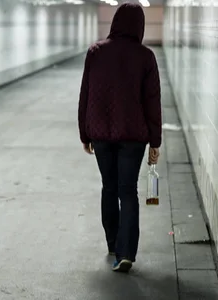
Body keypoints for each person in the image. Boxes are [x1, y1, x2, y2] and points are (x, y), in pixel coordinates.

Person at [77, 3, 162, 273]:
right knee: (128, 191)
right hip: (134, 136)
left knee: (109, 187)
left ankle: (113, 243)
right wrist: (155, 141)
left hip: (101, 133)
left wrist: (84, 132)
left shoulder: (96, 52)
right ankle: (126, 252)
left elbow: (85, 95)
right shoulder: (146, 56)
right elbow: (153, 102)